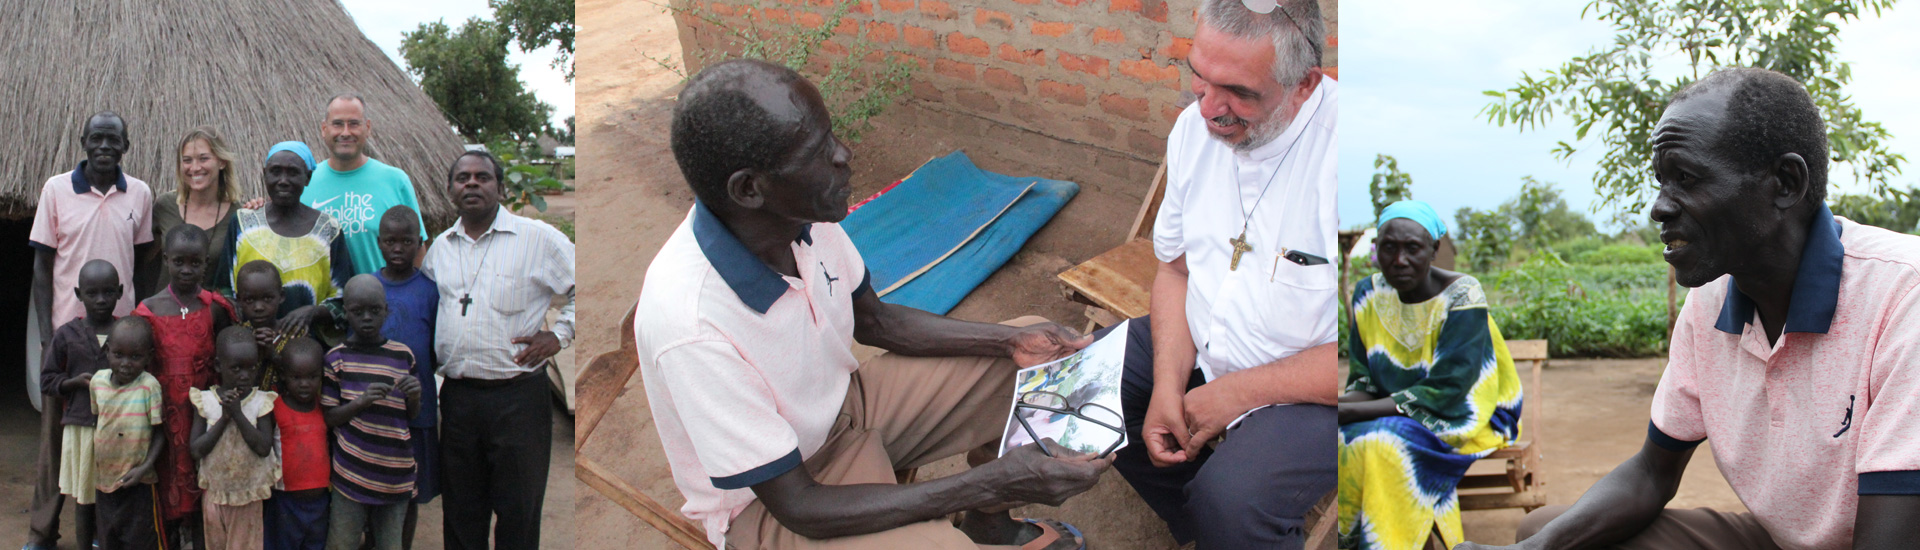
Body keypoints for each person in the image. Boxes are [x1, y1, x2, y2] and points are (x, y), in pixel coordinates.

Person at [641, 59, 1110, 550]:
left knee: (1036, 361)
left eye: (830, 135)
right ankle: (977, 515)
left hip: (846, 411)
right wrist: (990, 481)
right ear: (749, 189)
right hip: (772, 503)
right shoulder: (691, 325)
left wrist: (1011, 341)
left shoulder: (801, 218)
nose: (844, 154)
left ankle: (988, 525)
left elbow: (877, 322)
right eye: (817, 151)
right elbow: (800, 507)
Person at [1457, 68, 1920, 550]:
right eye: (1662, 181)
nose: (1659, 208)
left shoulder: (1903, 294)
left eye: (1686, 178)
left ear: (1785, 183)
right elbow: (1651, 474)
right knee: (1543, 533)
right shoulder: (1711, 300)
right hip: (1782, 540)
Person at [1111, 1, 1340, 548]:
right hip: (1207, 341)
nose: (1209, 108)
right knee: (1087, 390)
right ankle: (1201, 526)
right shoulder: (1193, 131)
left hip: (1321, 389)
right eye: (1199, 75)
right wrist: (1168, 384)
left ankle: (1225, 523)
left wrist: (1234, 393)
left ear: (1305, 84)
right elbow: (1176, 271)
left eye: (1239, 92)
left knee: (1234, 500)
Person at [1338, 201, 1523, 550]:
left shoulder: (1462, 294)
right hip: (1395, 412)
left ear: (1434, 250)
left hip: (1469, 412)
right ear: (1376, 248)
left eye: (1413, 248)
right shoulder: (1368, 294)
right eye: (1389, 248)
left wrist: (1351, 411)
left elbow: (1450, 390)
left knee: (1382, 443)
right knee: (1339, 438)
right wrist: (1341, 408)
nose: (1400, 260)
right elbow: (1364, 382)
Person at [421, 151, 573, 550]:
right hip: (458, 399)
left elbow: (586, 285)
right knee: (461, 512)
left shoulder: (537, 238)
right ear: (450, 190)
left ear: (500, 188)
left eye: (482, 177)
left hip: (518, 399)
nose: (472, 183)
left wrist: (559, 335)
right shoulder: (440, 249)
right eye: (463, 178)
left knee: (519, 510)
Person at [27, 111, 155, 550]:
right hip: (69, 336)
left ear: (126, 146)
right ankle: (42, 532)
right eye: (96, 138)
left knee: (114, 436)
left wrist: (138, 323)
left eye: (113, 140)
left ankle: (106, 532)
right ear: (83, 141)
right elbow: (42, 267)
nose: (104, 146)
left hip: (122, 341)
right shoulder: (56, 189)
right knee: (57, 438)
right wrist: (48, 335)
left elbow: (144, 263)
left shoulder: (139, 193)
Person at [134, 224, 236, 549]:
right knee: (166, 493)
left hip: (203, 420)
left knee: (203, 493)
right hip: (163, 419)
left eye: (195, 262)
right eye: (179, 262)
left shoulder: (215, 308)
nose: (187, 270)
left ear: (207, 262)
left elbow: (227, 361)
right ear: (166, 259)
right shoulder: (149, 311)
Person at [322, 275, 422, 550]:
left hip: (395, 476)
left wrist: (415, 396)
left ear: (386, 310)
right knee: (342, 543)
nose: (367, 318)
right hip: (351, 475)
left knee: (390, 544)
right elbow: (329, 418)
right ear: (346, 313)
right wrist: (361, 402)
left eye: (375, 310)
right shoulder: (336, 359)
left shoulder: (403, 356)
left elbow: (411, 415)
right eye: (358, 311)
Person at [36, 260, 126, 550]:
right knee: (85, 499)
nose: (100, 300)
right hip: (82, 429)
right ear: (78, 294)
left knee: (115, 497)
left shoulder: (126, 332)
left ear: (120, 292)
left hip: (120, 430)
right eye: (92, 293)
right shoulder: (66, 335)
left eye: (108, 292)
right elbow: (47, 380)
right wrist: (73, 383)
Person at [224, 141, 354, 327]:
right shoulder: (243, 223)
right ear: (265, 174)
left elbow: (344, 299)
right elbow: (224, 288)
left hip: (308, 343)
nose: (283, 180)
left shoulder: (328, 230)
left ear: (307, 177)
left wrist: (314, 312)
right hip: (248, 342)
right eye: (275, 171)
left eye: (293, 172)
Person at [370, 205, 441, 547]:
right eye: (390, 241)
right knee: (372, 485)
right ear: (379, 242)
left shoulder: (430, 291)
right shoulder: (367, 287)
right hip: (374, 413)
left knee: (409, 492)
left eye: (407, 241)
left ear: (419, 243)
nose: (398, 249)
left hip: (417, 413)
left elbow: (438, 349)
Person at [303, 94, 428, 276]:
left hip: (383, 295)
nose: (346, 132)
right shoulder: (305, 182)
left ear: (367, 128)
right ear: (324, 129)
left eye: (354, 124)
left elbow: (417, 250)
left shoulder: (395, 181)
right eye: (337, 124)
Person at [189, 327, 280, 550]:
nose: (244, 375)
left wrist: (238, 414)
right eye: (236, 368)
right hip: (215, 493)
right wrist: (224, 418)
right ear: (219, 366)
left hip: (247, 495)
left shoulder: (260, 402)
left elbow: (263, 448)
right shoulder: (205, 401)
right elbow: (196, 450)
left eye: (251, 368)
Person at [90, 317, 168, 550]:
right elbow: (98, 421)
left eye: (135, 357)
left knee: (141, 541)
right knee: (108, 539)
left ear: (149, 357)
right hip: (104, 482)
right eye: (118, 355)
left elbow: (160, 433)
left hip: (138, 483)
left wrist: (145, 467)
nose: (126, 363)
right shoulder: (97, 382)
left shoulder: (149, 387)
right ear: (107, 351)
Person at [140, 126, 243, 298]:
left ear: (222, 162)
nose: (195, 168)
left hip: (211, 311)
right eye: (187, 160)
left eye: (204, 159)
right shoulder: (165, 206)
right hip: (164, 309)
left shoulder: (237, 214)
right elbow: (143, 257)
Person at [265, 338, 332, 550]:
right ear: (284, 375)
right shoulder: (274, 407)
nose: (304, 384)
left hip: (320, 500)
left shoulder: (324, 407)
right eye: (296, 377)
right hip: (285, 501)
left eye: (312, 377)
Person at [233, 261, 299, 391]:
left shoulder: (294, 333)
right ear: (239, 300)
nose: (259, 307)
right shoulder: (237, 335)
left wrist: (272, 354)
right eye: (249, 300)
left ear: (281, 296)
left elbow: (302, 376)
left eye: (267, 298)